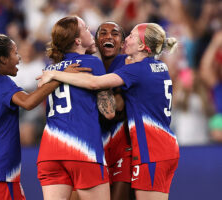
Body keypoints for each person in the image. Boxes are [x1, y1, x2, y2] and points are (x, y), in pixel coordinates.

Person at [38, 22, 180, 200]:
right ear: (96, 41)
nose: (126, 38)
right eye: (102, 32)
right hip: (154, 146)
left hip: (142, 149)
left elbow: (96, 85)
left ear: (142, 46)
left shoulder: (131, 67)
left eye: (129, 36)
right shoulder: (156, 66)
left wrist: (54, 74)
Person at [0, 24, 82, 200]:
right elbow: (28, 103)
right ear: (2, 60)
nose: (19, 57)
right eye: (14, 53)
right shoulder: (2, 83)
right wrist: (58, 77)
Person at [36, 16, 116, 200]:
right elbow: (109, 111)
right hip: (83, 149)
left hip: (49, 152)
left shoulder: (51, 69)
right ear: (78, 41)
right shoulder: (92, 63)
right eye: (86, 28)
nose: (91, 31)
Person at [95, 21, 134, 200]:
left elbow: (118, 106)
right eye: (103, 33)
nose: (108, 36)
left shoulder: (129, 63)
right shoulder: (88, 65)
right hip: (94, 145)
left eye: (115, 33)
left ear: (123, 42)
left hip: (123, 143)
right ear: (95, 41)